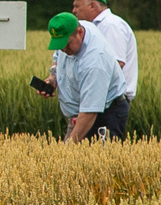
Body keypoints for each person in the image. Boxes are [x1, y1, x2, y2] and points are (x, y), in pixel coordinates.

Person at [66, 0, 138, 138]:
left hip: (109, 106)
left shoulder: (111, 25)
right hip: (93, 102)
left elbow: (115, 65)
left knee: (100, 150)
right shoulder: (86, 28)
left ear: (92, 5)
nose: (74, 11)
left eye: (77, 6)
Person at [40, 11, 118, 141]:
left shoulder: (94, 62)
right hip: (79, 116)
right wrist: (52, 79)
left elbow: (89, 112)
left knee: (81, 152)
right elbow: (57, 57)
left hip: (101, 117)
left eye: (66, 44)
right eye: (60, 45)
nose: (63, 49)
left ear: (80, 32)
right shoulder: (72, 31)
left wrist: (70, 145)